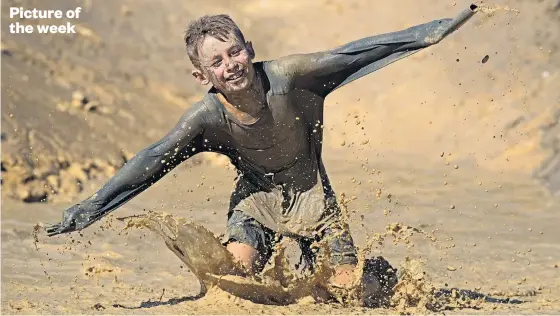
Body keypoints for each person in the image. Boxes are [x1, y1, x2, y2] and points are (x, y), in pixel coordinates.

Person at [47, 5, 477, 290]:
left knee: (345, 292)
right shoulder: (206, 118)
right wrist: (93, 205)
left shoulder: (290, 77)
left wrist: (427, 35)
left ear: (249, 50)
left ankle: (376, 275)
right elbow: (150, 160)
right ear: (201, 77)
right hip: (255, 200)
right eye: (216, 62)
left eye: (234, 53)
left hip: (314, 200)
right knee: (235, 278)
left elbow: (352, 54)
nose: (230, 65)